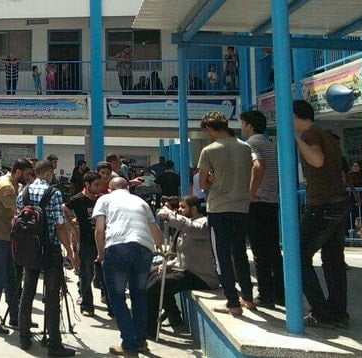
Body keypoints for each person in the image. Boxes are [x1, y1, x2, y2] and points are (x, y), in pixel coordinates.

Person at [293, 99, 350, 328]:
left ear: (294, 116)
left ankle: (321, 311)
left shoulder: (310, 135)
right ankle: (338, 312)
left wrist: (296, 139)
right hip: (338, 202)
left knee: (297, 256)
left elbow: (316, 160)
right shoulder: (328, 136)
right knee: (334, 261)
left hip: (322, 205)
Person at [93, 177, 164, 356]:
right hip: (143, 249)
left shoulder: (104, 199)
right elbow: (155, 231)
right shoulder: (140, 202)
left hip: (117, 247)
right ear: (128, 188)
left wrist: (101, 254)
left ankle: (129, 345)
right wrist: (160, 246)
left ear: (110, 189)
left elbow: (100, 230)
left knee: (117, 298)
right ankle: (140, 341)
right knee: (139, 295)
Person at [15, 160, 78, 356]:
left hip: (29, 248)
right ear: (49, 173)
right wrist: (70, 251)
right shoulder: (54, 193)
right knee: (52, 296)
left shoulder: (23, 192)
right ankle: (54, 344)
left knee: (27, 291)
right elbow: (60, 225)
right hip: (50, 249)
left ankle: (24, 336)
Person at [197, 111, 255, 316]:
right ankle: (248, 296)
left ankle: (232, 301)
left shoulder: (209, 150)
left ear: (209, 128)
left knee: (222, 256)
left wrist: (212, 180)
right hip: (242, 206)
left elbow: (203, 183)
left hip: (219, 207)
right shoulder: (245, 147)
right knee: (240, 253)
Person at [149, 196, 219, 340]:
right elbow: (181, 257)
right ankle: (174, 315)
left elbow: (194, 229)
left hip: (201, 276)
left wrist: (171, 215)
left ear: (193, 209)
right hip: (186, 270)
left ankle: (149, 329)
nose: (180, 210)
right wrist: (167, 265)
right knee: (153, 276)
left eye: (183, 207)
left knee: (157, 284)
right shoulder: (186, 224)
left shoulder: (204, 223)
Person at [0, 158, 34, 334]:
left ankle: (15, 316)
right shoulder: (7, 187)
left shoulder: (11, 183)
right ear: (18, 172)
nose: (29, 177)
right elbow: (16, 214)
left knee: (11, 278)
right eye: (27, 174)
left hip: (4, 236)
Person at [240, 110, 284, 308]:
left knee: (259, 252)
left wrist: (250, 192)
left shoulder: (251, 143)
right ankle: (280, 294)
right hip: (271, 201)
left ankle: (265, 295)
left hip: (257, 202)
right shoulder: (269, 143)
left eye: (243, 123)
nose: (241, 127)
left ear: (249, 125)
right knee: (273, 250)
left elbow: (257, 166)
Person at [64, 171, 102, 316]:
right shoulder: (77, 199)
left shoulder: (101, 199)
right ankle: (87, 305)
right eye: (96, 185)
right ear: (87, 184)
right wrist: (72, 228)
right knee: (86, 273)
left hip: (101, 240)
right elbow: (64, 209)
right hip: (86, 241)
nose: (98, 188)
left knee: (102, 274)